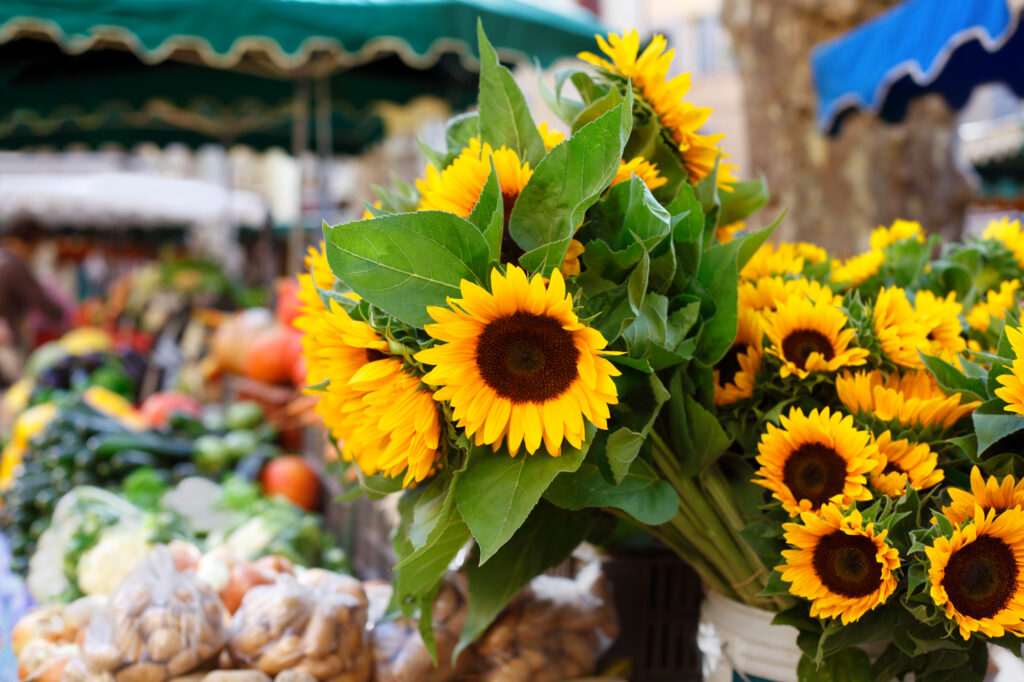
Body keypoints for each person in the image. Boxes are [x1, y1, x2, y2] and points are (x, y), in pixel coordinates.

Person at [0, 217, 65, 385]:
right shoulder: (15, 266)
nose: (36, 252)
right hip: (5, 343)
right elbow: (41, 302)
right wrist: (63, 315)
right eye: (36, 246)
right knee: (14, 392)